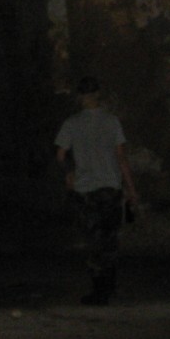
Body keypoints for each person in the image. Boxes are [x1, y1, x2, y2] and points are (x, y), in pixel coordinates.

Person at [54, 76, 140, 305]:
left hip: (85, 190)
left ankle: (99, 290)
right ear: (98, 94)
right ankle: (108, 288)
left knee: (94, 240)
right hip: (110, 187)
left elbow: (60, 155)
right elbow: (121, 157)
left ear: (79, 97)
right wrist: (131, 189)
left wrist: (69, 173)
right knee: (110, 239)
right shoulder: (112, 121)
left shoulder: (71, 123)